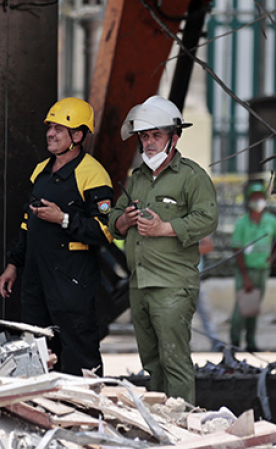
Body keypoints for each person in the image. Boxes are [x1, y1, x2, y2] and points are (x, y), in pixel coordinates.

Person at [110, 96, 218, 404]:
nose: (149, 142)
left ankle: (182, 428)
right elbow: (113, 217)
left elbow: (207, 218)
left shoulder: (191, 176)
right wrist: (123, 221)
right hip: (139, 284)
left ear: (174, 137)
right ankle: (160, 427)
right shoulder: (138, 178)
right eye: (144, 136)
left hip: (172, 285)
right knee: (152, 364)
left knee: (175, 361)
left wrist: (164, 229)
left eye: (155, 135)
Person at [0, 97, 115, 376]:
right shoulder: (41, 171)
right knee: (36, 350)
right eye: (50, 127)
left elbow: (106, 231)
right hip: (37, 281)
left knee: (77, 352)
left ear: (78, 135)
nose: (50, 133)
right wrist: (14, 264)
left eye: (59, 129)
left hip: (72, 283)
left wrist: (63, 218)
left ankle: (85, 415)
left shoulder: (94, 175)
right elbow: (28, 224)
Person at [229, 180, 276, 352]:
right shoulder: (242, 223)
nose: (258, 200)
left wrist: (272, 256)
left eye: (260, 196)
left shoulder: (271, 220)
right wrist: (244, 277)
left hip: (262, 269)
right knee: (241, 309)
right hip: (246, 269)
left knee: (254, 309)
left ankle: (251, 342)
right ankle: (234, 343)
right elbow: (237, 249)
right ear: (248, 199)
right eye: (254, 197)